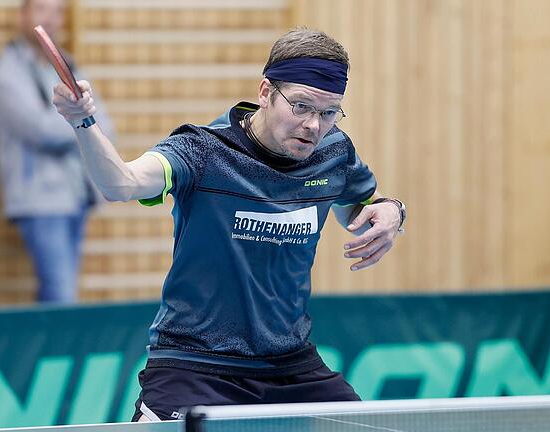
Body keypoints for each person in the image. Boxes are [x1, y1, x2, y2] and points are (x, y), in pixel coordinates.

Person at [52, 28, 406, 421]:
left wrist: (393, 211)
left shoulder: (333, 152)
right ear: (266, 92)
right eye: (301, 106)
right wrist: (83, 121)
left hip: (289, 366)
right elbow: (122, 183)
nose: (313, 126)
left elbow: (362, 208)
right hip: (195, 364)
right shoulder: (204, 151)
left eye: (328, 112)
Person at [0, 0, 115, 303]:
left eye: (57, 10)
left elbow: (106, 126)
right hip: (40, 201)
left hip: (75, 196)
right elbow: (41, 130)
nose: (51, 17)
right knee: (60, 294)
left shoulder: (68, 64)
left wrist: (80, 123)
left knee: (63, 294)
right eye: (42, 8)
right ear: (24, 14)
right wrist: (82, 124)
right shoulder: (9, 71)